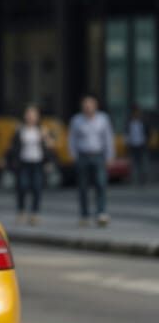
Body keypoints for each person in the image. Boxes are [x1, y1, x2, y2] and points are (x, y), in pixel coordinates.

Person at [68, 94, 114, 227]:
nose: (88, 107)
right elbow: (72, 139)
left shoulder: (103, 119)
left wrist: (110, 155)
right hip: (82, 155)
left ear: (95, 106)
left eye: (90, 104)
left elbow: (108, 138)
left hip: (98, 155)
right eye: (85, 105)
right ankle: (84, 214)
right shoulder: (76, 120)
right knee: (83, 186)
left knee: (101, 183)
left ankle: (101, 212)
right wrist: (73, 155)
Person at [7, 104, 54, 225]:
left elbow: (50, 147)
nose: (30, 117)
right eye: (28, 114)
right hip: (23, 162)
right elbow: (12, 147)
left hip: (37, 162)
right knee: (22, 186)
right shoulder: (20, 130)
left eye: (33, 115)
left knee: (37, 187)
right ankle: (21, 211)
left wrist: (48, 161)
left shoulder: (42, 129)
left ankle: (35, 213)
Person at [126, 105, 150, 186]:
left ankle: (143, 180)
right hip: (133, 145)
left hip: (142, 145)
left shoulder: (143, 121)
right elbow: (127, 134)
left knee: (143, 164)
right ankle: (134, 180)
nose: (136, 114)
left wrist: (147, 141)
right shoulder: (130, 122)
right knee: (134, 164)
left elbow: (148, 132)